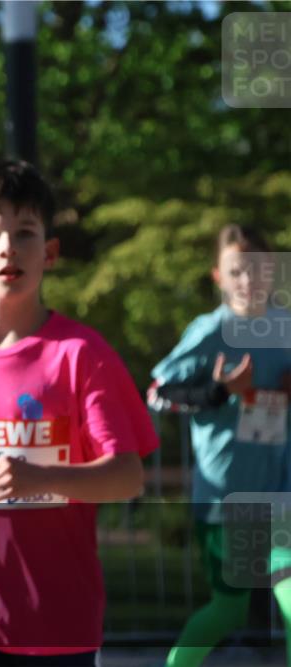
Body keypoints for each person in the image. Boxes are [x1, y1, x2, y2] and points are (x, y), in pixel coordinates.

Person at [0, 160, 158, 666]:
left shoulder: (80, 353)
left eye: (24, 233)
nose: (8, 248)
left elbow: (127, 476)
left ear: (48, 253)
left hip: (55, 623)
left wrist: (37, 477)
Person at [148, 225, 291, 667]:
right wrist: (218, 391)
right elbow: (156, 393)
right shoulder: (212, 331)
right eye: (237, 272)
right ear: (219, 278)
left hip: (280, 496)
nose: (248, 281)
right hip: (228, 501)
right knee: (228, 610)